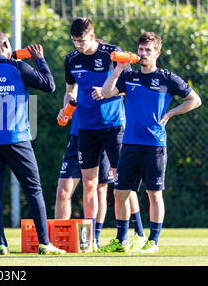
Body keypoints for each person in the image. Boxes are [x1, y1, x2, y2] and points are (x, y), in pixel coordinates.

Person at [99, 32, 201, 253]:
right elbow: (106, 93)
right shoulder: (130, 76)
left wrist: (170, 114)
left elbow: (195, 100)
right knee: (119, 193)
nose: (143, 54)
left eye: (148, 50)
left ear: (157, 53)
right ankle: (121, 239)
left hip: (154, 145)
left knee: (153, 194)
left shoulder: (167, 78)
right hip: (129, 144)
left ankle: (153, 241)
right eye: (141, 49)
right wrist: (117, 70)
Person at [0, 31, 65, 255]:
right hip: (17, 138)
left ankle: (1, 244)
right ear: (5, 44)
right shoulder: (18, 67)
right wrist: (39, 59)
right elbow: (49, 85)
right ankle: (44, 243)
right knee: (33, 189)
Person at [62, 17, 144, 250]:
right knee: (89, 183)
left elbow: (130, 87)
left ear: (93, 35)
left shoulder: (112, 53)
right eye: (74, 41)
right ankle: (91, 239)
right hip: (86, 128)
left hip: (114, 126)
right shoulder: (71, 59)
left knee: (123, 181)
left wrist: (109, 92)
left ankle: (132, 233)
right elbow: (71, 90)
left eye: (82, 41)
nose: (79, 45)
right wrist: (67, 105)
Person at [56, 108, 145, 250]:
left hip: (108, 128)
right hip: (80, 132)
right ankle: (59, 240)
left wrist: (106, 92)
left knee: (112, 186)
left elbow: (123, 90)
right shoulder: (77, 83)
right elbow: (70, 93)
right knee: (64, 191)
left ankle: (137, 233)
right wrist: (67, 108)